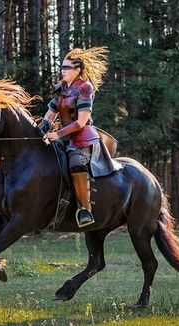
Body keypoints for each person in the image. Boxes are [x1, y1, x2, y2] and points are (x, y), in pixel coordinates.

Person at [41, 46, 109, 227]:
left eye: (67, 67)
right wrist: (43, 126)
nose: (63, 71)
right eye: (62, 67)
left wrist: (58, 133)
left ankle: (84, 210)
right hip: (61, 135)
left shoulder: (85, 88)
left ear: (77, 70)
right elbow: (50, 114)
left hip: (82, 137)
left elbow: (80, 122)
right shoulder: (61, 87)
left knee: (76, 163)